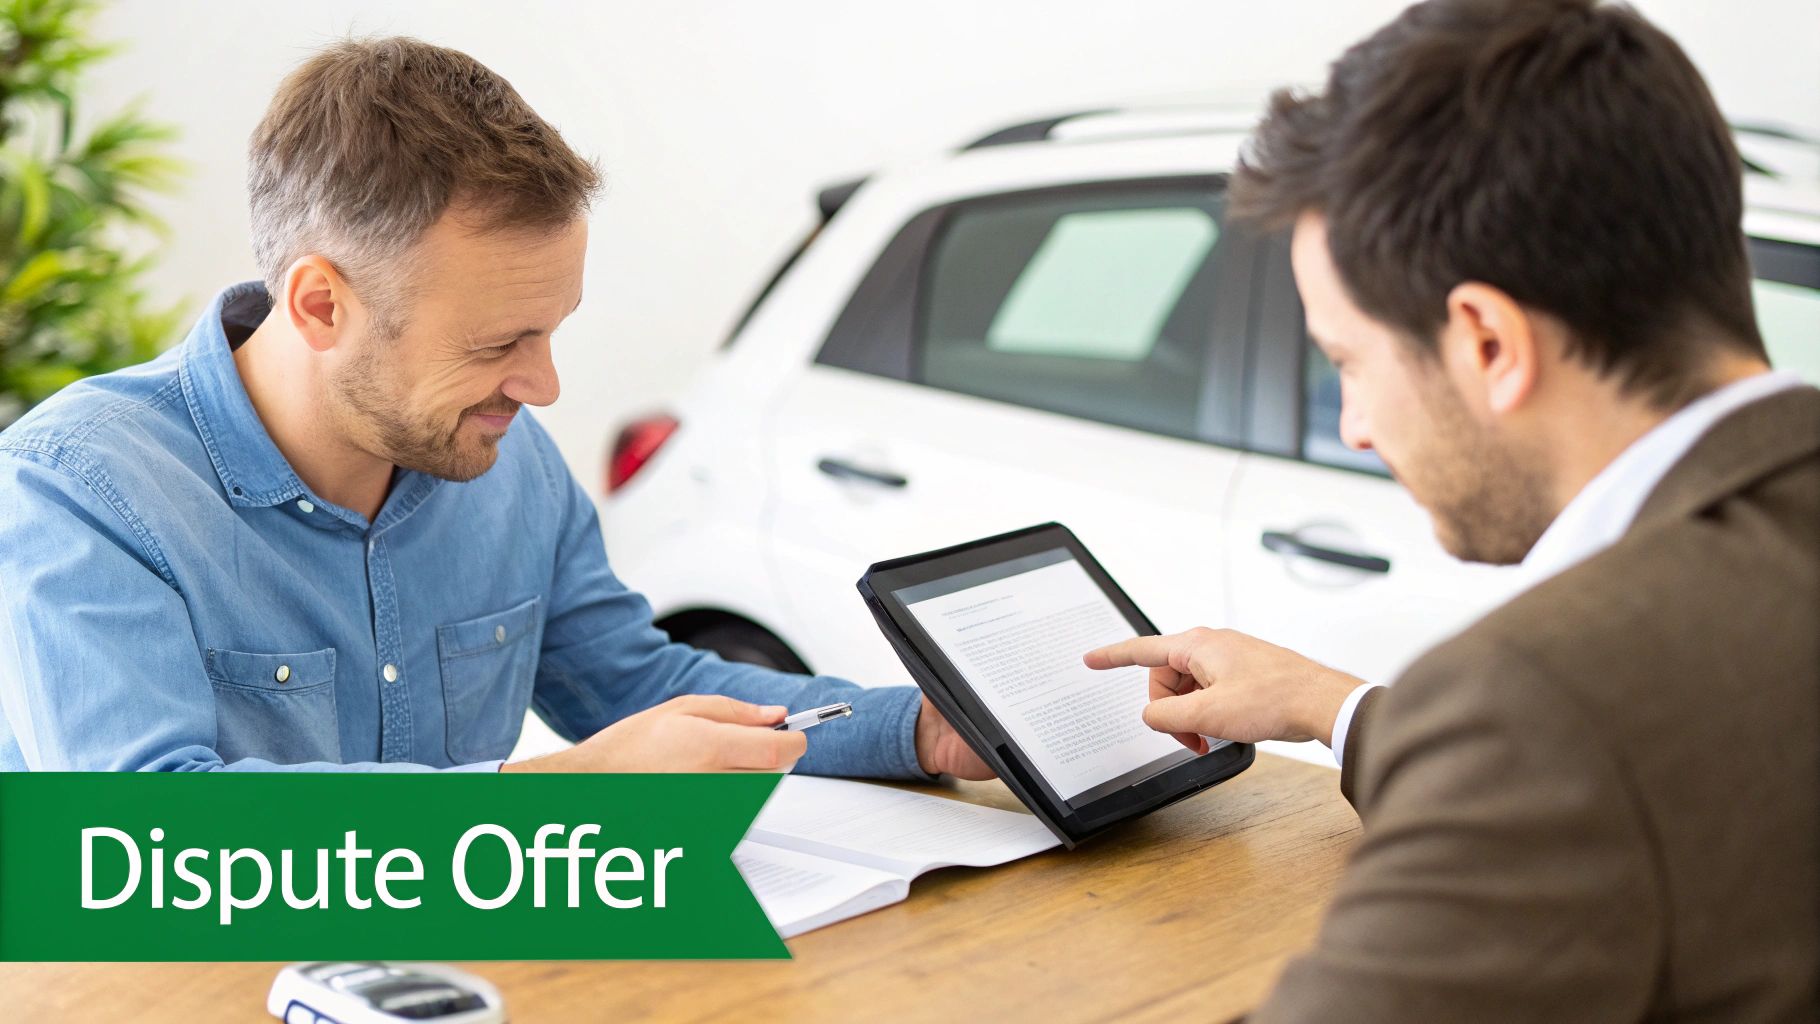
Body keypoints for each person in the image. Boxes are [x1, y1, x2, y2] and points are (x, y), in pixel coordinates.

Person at [1084, 0, 1817, 1019]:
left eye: (1346, 362)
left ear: (1487, 343)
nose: (1353, 427)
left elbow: (1569, 753)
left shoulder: (1546, 698)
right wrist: (1329, 705)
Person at [0, 37, 988, 781]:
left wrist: (915, 728)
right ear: (320, 305)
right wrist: (564, 793)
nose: (542, 385)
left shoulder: (512, 467)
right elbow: (153, 831)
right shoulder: (80, 490)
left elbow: (635, 685)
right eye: (495, 344)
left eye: (550, 331)